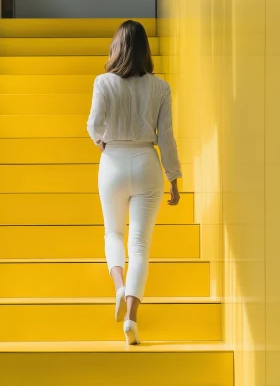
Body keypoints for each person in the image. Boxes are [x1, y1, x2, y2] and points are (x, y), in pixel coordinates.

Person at [86, 20, 182, 345]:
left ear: (117, 47)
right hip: (147, 163)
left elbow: (94, 125)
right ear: (145, 50)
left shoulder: (103, 82)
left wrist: (102, 141)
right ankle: (131, 317)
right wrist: (174, 178)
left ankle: (119, 286)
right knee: (140, 245)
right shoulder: (161, 88)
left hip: (112, 161)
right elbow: (166, 138)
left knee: (113, 232)